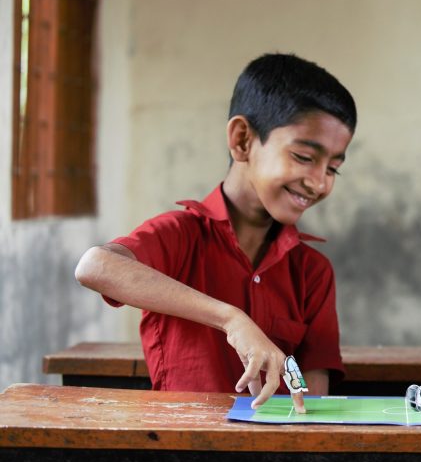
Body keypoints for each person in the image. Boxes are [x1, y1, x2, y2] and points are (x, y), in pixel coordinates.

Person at [75, 53, 356, 408]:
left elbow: (313, 389)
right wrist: (231, 319)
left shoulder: (312, 271)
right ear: (242, 140)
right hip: (184, 450)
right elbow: (94, 266)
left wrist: (303, 412)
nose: (319, 183)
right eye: (304, 157)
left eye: (333, 168)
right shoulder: (180, 235)